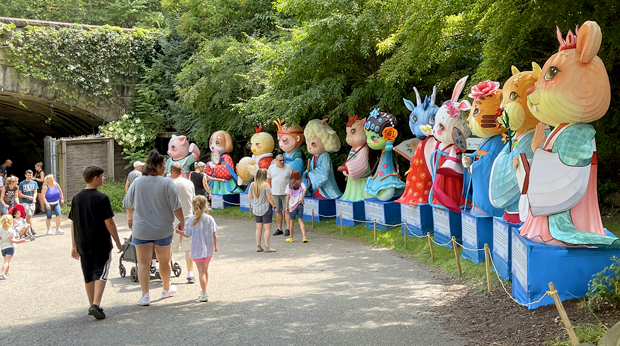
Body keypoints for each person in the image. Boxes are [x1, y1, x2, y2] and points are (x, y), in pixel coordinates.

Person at [123, 150, 184, 306]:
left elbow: (127, 204)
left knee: (143, 264)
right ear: (157, 166)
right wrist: (182, 221)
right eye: (163, 165)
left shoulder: (137, 182)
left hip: (141, 229)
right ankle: (165, 289)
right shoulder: (167, 183)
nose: (165, 167)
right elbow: (176, 206)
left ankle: (145, 295)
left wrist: (130, 218)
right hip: (163, 229)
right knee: (165, 261)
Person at [69, 166, 122, 320]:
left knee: (89, 274)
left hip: (82, 242)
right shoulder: (102, 198)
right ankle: (96, 304)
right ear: (95, 178)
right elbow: (109, 223)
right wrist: (117, 242)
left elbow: (73, 223)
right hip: (100, 242)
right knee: (101, 271)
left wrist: (74, 245)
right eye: (102, 176)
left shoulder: (76, 198)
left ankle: (92, 303)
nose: (103, 179)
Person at [179, 195, 218, 302]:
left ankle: (204, 293)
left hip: (197, 250)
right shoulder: (210, 218)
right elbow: (214, 234)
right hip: (208, 249)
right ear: (205, 206)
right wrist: (215, 246)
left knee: (201, 272)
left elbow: (187, 234)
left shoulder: (191, 220)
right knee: (205, 270)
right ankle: (204, 288)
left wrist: (178, 231)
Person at [170, 162, 197, 284]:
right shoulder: (189, 183)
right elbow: (193, 200)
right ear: (182, 171)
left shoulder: (170, 184)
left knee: (168, 248)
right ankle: (190, 273)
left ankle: (167, 272)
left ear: (171, 172)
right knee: (188, 248)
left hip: (172, 220)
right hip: (188, 219)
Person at [248, 168, 276, 253]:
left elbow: (250, 197)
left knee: (258, 228)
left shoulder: (253, 185)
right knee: (267, 228)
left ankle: (258, 246)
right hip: (265, 208)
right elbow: (270, 198)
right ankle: (267, 247)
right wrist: (275, 206)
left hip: (256, 208)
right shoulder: (266, 185)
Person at [267, 154, 292, 237]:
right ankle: (279, 228)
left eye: (283, 160)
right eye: (280, 160)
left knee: (287, 210)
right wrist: (267, 191)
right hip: (275, 192)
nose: (282, 162)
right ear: (276, 160)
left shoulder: (288, 167)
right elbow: (268, 180)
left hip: (286, 193)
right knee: (278, 211)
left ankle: (288, 228)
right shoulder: (271, 168)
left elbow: (292, 179)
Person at [284, 170, 308, 243]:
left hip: (292, 205)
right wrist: (302, 197)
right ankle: (304, 236)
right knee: (300, 220)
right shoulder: (301, 183)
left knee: (292, 221)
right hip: (300, 203)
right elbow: (305, 190)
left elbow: (288, 196)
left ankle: (291, 237)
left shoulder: (289, 185)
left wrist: (286, 206)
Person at [0, 214, 25, 280]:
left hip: (3, 248)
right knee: (7, 262)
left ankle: (6, 272)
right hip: (9, 248)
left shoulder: (1, 230)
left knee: (6, 261)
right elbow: (12, 241)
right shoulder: (11, 231)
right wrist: (20, 241)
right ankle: (2, 273)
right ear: (10, 222)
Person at [18, 170, 38, 235]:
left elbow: (35, 192)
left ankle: (30, 228)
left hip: (32, 201)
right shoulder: (22, 183)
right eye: (28, 175)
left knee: (30, 215)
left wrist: (34, 198)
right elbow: (19, 193)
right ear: (25, 175)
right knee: (27, 215)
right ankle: (27, 229)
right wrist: (27, 197)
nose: (29, 176)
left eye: (30, 175)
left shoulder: (34, 183)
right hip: (25, 201)